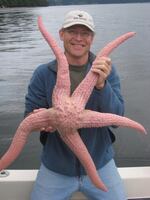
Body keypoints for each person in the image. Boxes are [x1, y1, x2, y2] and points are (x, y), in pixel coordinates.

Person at [25, 10, 126, 200]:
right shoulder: (43, 74)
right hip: (56, 168)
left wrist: (102, 86)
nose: (78, 38)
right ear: (61, 34)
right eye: (72, 31)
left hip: (100, 164)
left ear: (92, 38)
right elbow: (28, 117)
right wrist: (41, 119)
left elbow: (117, 118)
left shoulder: (106, 71)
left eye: (85, 33)